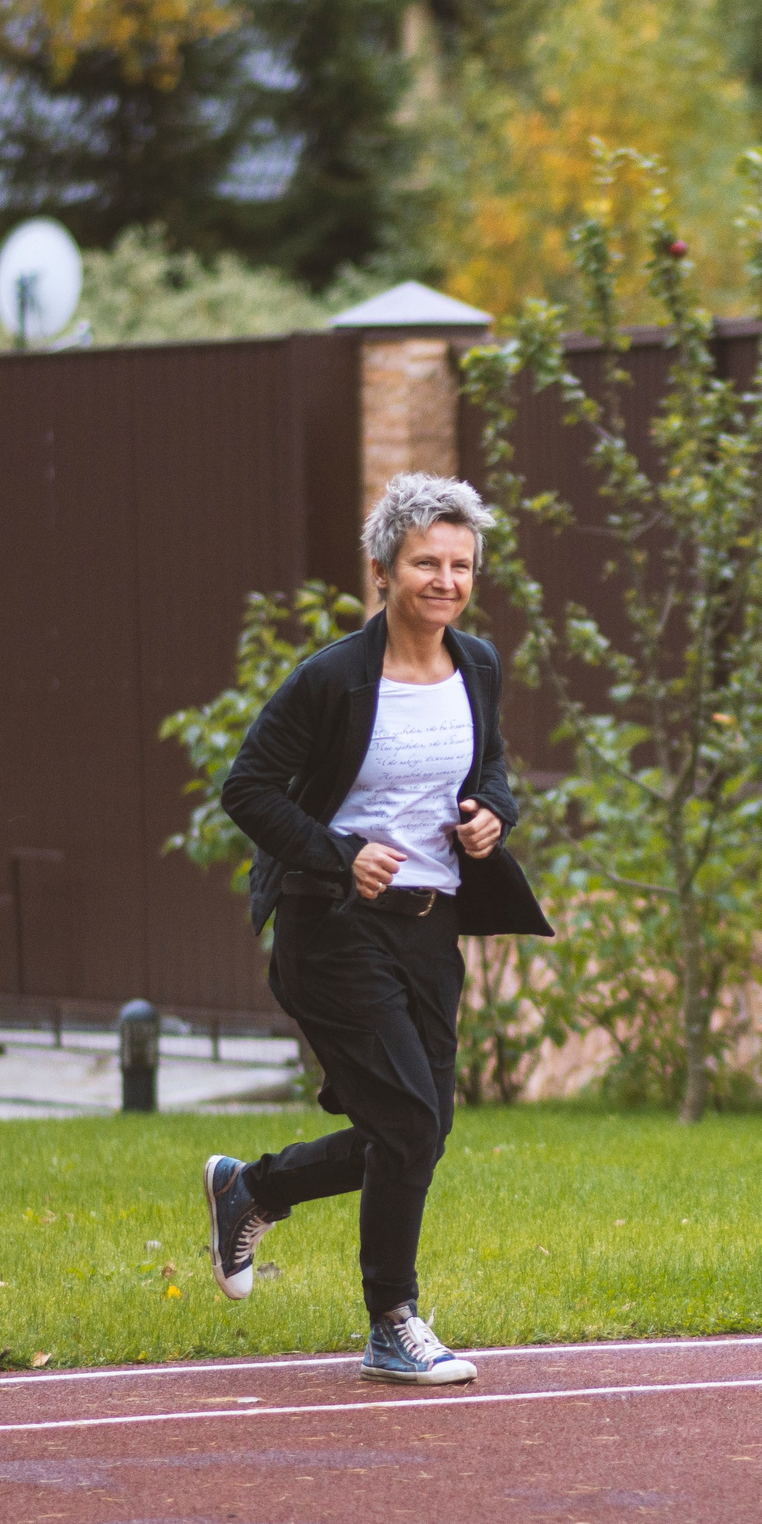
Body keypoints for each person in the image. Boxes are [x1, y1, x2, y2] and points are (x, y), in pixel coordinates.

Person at [200, 472, 551, 1385]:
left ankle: (254, 1188)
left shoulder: (476, 663)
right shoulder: (332, 679)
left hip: (431, 928)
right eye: (425, 562)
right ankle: (392, 1319)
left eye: (461, 564)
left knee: (417, 1133)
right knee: (406, 1121)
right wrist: (335, 852)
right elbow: (246, 789)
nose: (446, 579)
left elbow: (493, 768)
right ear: (383, 570)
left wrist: (492, 817)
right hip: (335, 925)